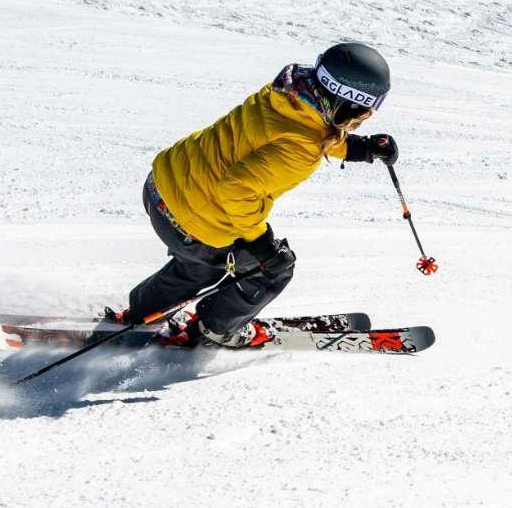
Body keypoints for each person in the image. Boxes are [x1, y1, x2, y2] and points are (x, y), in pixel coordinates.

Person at [109, 42, 399, 348]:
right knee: (273, 269)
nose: (363, 119)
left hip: (162, 189)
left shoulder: (287, 93)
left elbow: (295, 132)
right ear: (346, 104)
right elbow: (238, 189)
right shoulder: (304, 149)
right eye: (364, 111)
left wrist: (358, 149)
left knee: (199, 266)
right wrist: (263, 246)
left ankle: (142, 314)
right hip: (194, 221)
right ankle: (215, 330)